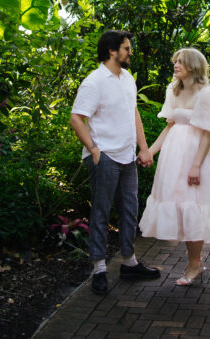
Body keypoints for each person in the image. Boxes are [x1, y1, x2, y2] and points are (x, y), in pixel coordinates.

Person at [139, 47, 210, 285]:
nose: (176, 65)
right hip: (173, 155)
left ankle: (194, 263)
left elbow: (208, 133)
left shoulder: (207, 93)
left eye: (181, 62)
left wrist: (196, 165)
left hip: (199, 155)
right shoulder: (173, 89)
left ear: (194, 66)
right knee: (180, 206)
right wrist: (149, 152)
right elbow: (169, 126)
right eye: (175, 61)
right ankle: (194, 262)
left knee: (194, 205)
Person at [69, 30, 160, 295]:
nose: (130, 52)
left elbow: (133, 113)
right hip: (105, 157)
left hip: (128, 157)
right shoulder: (94, 82)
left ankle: (129, 263)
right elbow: (76, 118)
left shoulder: (127, 78)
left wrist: (143, 148)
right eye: (126, 48)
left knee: (130, 210)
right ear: (112, 51)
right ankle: (98, 268)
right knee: (101, 211)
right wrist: (94, 149)